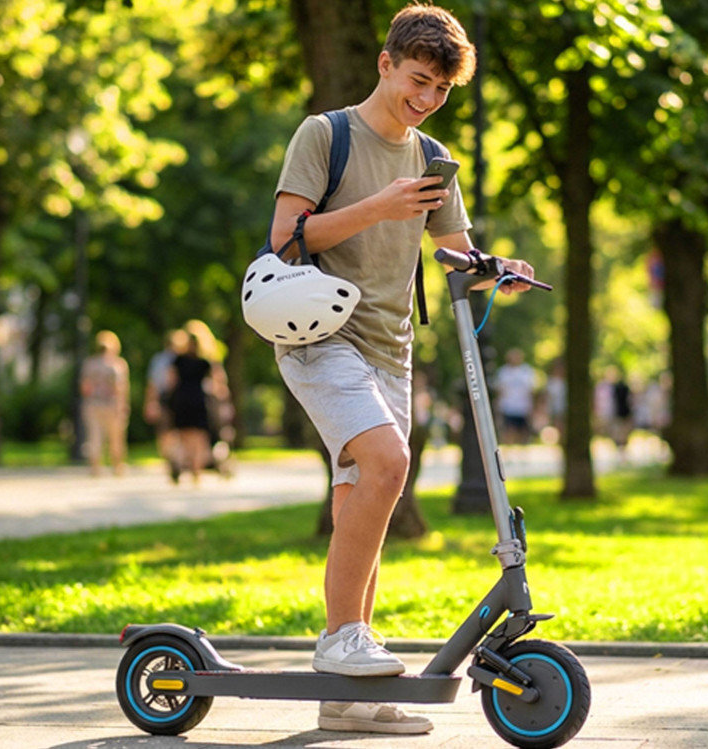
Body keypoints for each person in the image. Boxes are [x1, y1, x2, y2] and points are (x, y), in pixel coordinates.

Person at [265, 4, 534, 735]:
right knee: (387, 463)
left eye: (441, 91)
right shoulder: (327, 135)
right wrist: (379, 208)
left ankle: (344, 695)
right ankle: (339, 642)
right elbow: (286, 242)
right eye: (418, 81)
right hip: (320, 333)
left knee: (363, 497)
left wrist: (496, 271)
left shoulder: (434, 156)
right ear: (385, 63)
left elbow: (454, 253)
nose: (426, 99)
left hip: (391, 347)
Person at [166, 320, 224, 485]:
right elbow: (217, 384)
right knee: (200, 438)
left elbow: (170, 381)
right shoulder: (206, 362)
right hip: (199, 400)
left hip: (182, 400)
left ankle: (186, 466)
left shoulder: (178, 360)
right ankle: (196, 473)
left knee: (185, 437)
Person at [79, 330, 130, 476]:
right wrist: (122, 406)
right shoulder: (118, 365)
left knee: (94, 436)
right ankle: (117, 466)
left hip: (93, 404)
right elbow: (120, 388)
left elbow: (85, 387)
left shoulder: (90, 364)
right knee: (116, 438)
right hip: (112, 405)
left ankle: (95, 467)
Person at [145, 329, 187, 483]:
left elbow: (153, 384)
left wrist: (151, 402)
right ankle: (176, 460)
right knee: (178, 432)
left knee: (166, 433)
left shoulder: (159, 360)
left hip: (166, 397)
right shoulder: (182, 359)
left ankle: (172, 459)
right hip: (177, 397)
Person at [493, 348, 538, 444]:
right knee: (508, 430)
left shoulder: (527, 371)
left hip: (523, 406)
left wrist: (533, 407)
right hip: (508, 406)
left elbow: (531, 390)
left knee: (523, 432)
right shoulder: (503, 372)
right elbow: (499, 391)